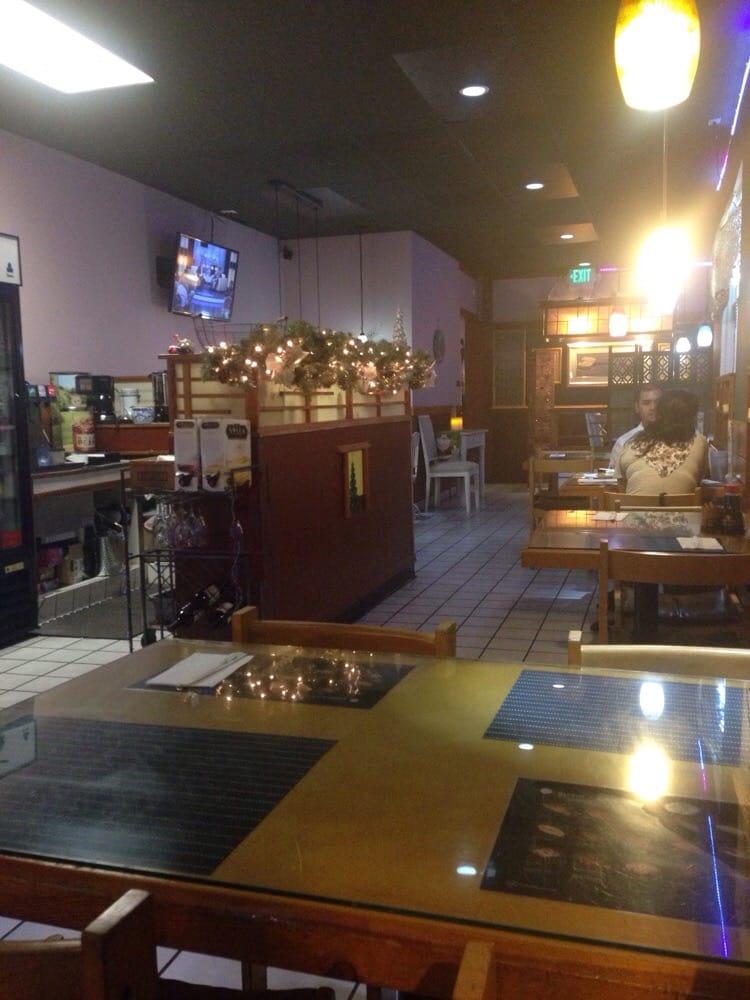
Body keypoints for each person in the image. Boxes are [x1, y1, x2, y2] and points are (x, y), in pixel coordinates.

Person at [614, 389, 708, 495]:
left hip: (633, 505)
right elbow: (698, 481)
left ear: (658, 414)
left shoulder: (630, 444)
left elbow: (622, 492)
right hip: (683, 506)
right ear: (692, 418)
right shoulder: (699, 441)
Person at [608, 384, 662, 469]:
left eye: (657, 402)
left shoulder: (674, 439)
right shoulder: (623, 443)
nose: (653, 407)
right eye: (646, 403)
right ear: (637, 407)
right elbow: (613, 475)